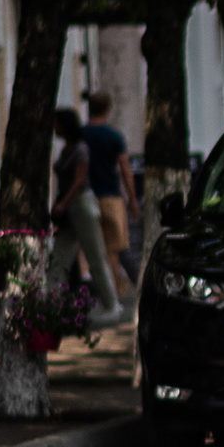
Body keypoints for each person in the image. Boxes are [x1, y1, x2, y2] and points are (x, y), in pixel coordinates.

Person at [49, 108, 121, 325]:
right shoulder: (67, 149)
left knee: (95, 255)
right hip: (71, 208)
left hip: (80, 204)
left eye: (56, 124)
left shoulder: (79, 149)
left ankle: (111, 304)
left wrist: (63, 203)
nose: (54, 128)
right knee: (59, 259)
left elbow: (79, 180)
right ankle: (52, 306)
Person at [83, 92, 141, 299]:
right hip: (112, 198)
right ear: (108, 109)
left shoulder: (81, 135)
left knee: (87, 246)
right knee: (113, 249)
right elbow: (126, 169)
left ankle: (91, 290)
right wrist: (133, 199)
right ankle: (112, 293)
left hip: (86, 197)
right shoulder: (114, 137)